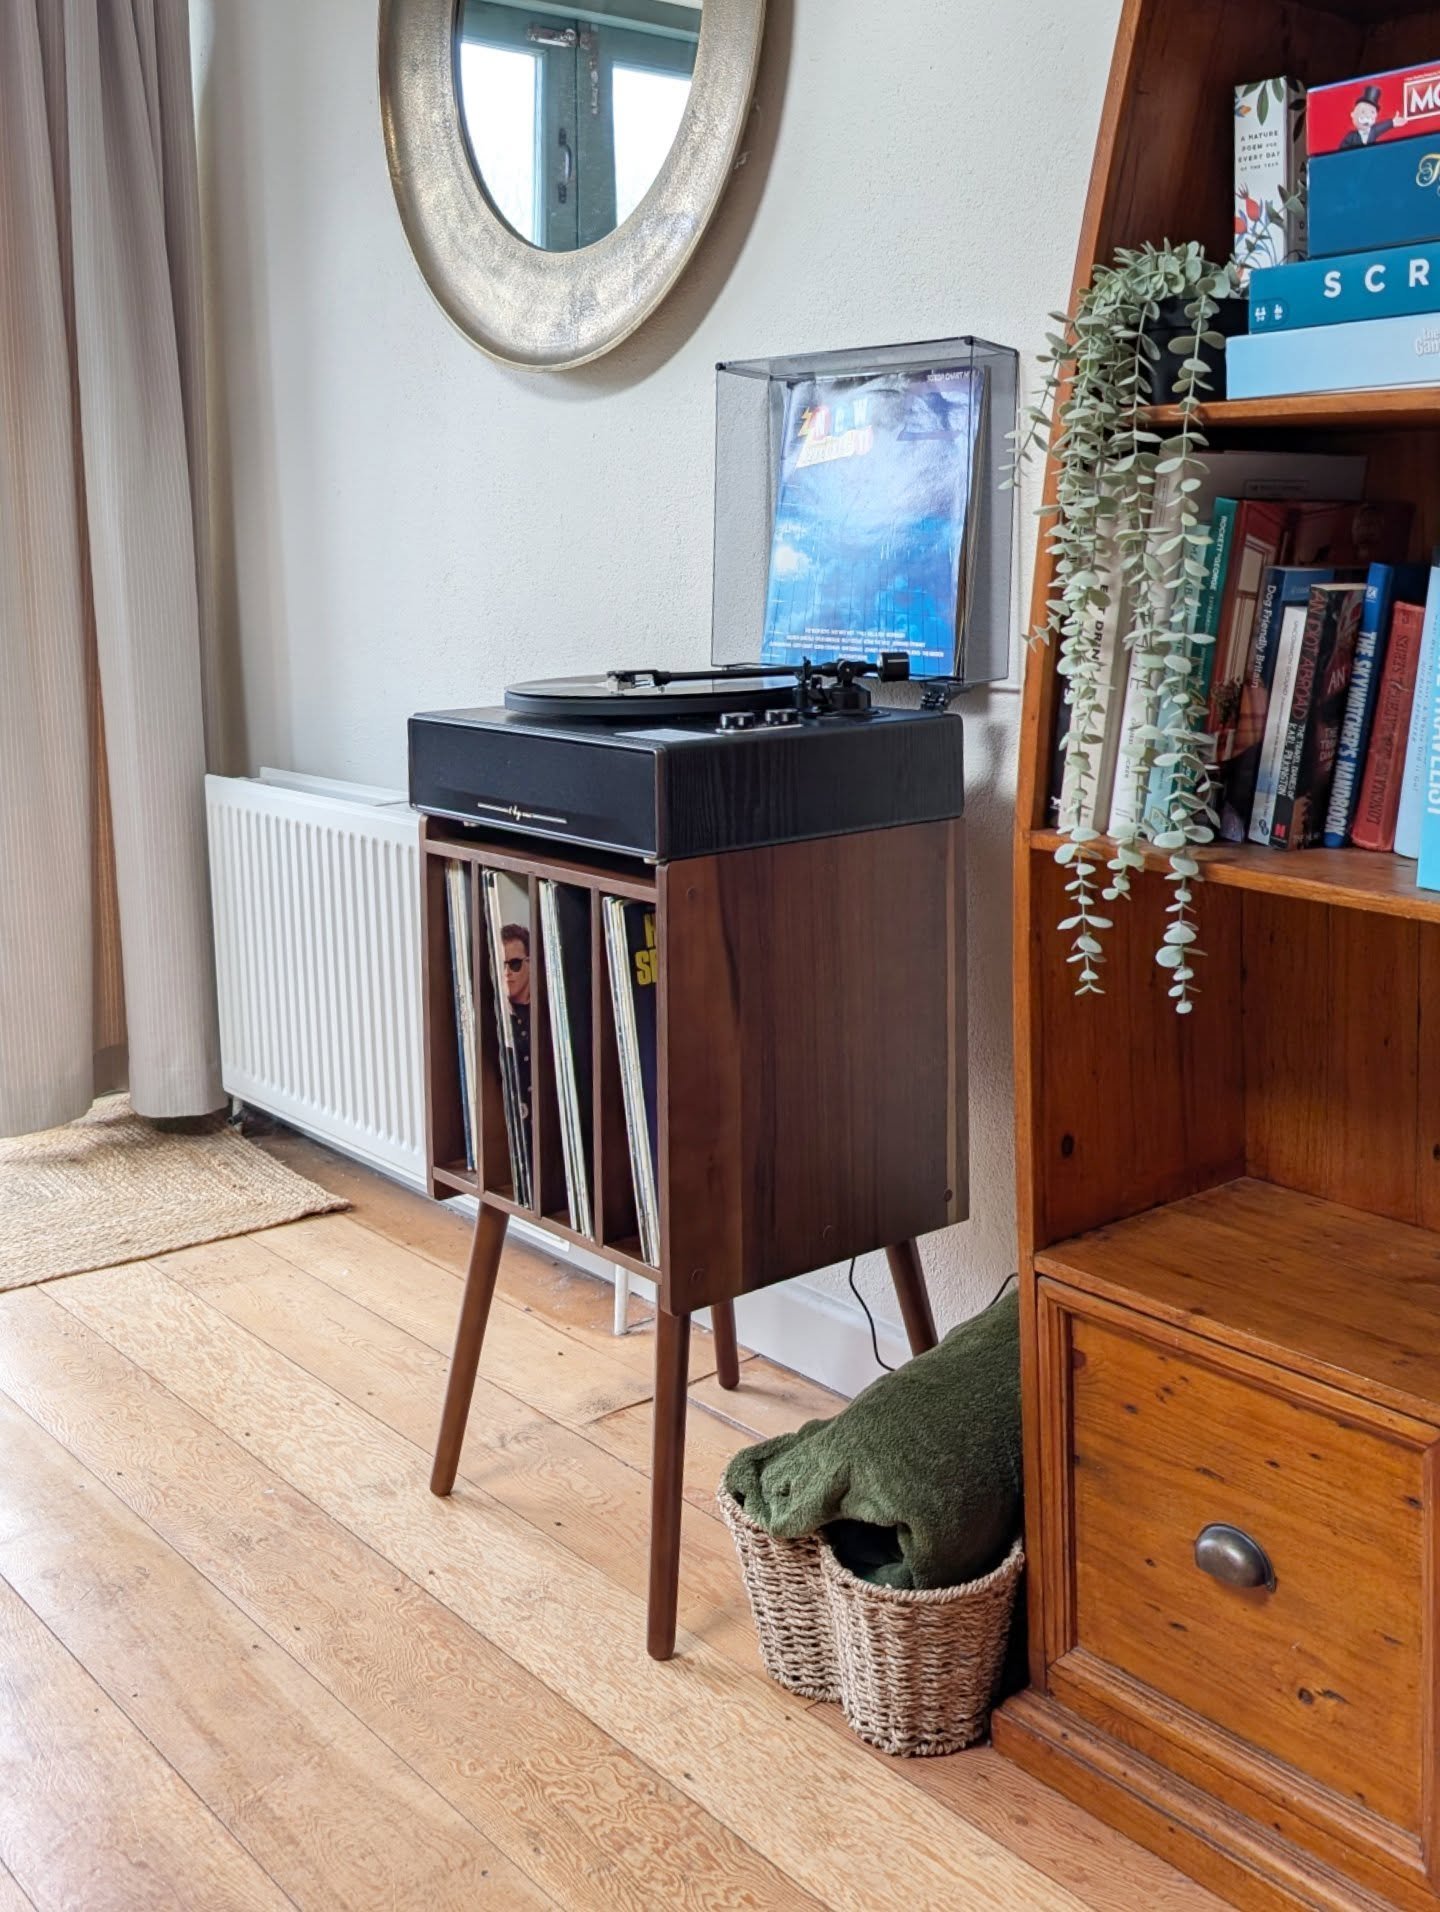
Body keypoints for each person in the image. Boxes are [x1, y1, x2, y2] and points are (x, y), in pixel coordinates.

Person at [501, 923, 531, 1128]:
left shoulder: (547, 1013)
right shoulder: (496, 1018)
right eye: (501, 964)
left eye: (514, 964)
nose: (507, 973)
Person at [1340, 84, 1406, 148]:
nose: (1367, 117)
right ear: (1353, 114)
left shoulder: (1373, 131)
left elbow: (1382, 127)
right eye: (1363, 112)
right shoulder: (1351, 137)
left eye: (1372, 112)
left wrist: (1393, 122)